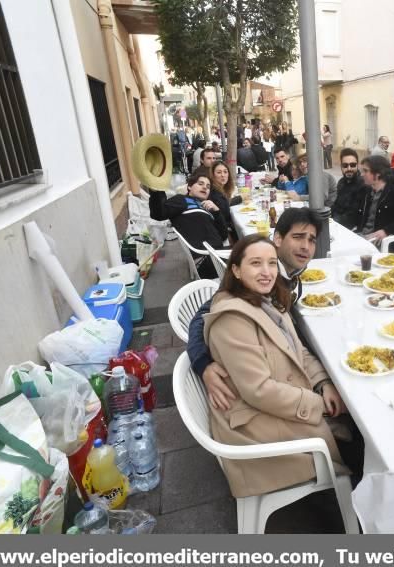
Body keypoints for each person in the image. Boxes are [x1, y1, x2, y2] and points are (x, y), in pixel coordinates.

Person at [202, 234, 352, 498]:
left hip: (275, 404)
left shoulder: (268, 302)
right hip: (255, 428)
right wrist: (316, 404)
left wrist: (323, 383)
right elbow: (259, 390)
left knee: (351, 416)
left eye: (272, 263)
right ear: (236, 270)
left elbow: (299, 352)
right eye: (256, 263)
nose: (266, 272)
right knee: (358, 436)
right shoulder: (233, 319)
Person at [187, 207, 323, 405]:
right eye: (298, 237)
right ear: (277, 239)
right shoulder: (260, 282)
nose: (306, 246)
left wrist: (321, 379)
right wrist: (202, 364)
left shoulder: (287, 273)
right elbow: (204, 316)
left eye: (312, 240)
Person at [149, 172, 228, 278]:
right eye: (200, 184)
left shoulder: (207, 207)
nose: (205, 187)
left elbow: (223, 235)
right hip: (207, 259)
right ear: (189, 186)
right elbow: (159, 214)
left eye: (208, 186)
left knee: (253, 248)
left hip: (218, 255)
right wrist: (156, 191)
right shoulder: (182, 200)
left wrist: (217, 211)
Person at [355, 154, 394, 251]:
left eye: (365, 171)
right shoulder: (365, 191)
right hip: (361, 238)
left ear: (378, 173)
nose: (362, 174)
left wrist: (386, 231)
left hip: (383, 245)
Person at [331, 148, 366, 229]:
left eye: (353, 165)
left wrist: (332, 223)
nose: (349, 168)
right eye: (345, 165)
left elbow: (353, 216)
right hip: (336, 223)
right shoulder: (341, 182)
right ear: (341, 167)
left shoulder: (363, 185)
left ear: (358, 165)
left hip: (349, 228)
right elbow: (336, 206)